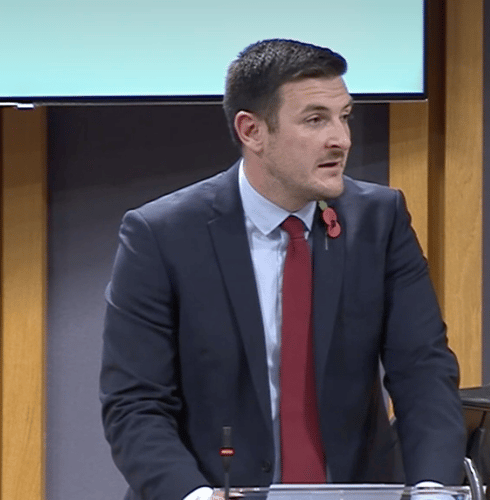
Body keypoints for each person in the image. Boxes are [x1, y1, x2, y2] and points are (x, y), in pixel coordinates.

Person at [100, 39, 465, 500]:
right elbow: (135, 404)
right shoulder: (161, 235)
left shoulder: (380, 219)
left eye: (344, 116)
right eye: (316, 120)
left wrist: (434, 489)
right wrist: (193, 495)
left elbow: (422, 370)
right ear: (252, 131)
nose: (342, 139)